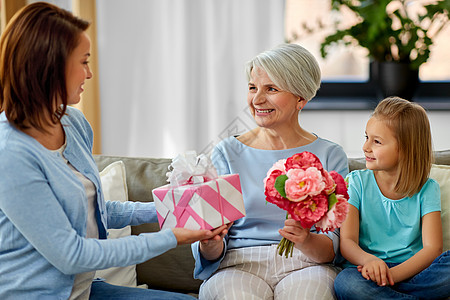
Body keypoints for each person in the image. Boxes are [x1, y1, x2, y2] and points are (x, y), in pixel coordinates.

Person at [0, 2, 227, 299]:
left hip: (85, 289)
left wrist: (180, 208)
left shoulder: (73, 123)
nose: (90, 73)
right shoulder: (11, 153)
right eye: (83, 62)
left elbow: (98, 211)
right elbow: (71, 255)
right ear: (50, 67)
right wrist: (171, 237)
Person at [191, 43, 349, 299]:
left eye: (271, 89)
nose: (257, 100)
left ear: (301, 98)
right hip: (238, 265)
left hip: (306, 264)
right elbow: (209, 252)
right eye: (253, 88)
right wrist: (210, 243)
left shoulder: (330, 155)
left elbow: (334, 247)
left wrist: (305, 239)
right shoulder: (226, 153)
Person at [334, 97, 450, 299]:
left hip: (415, 271)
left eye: (376, 141)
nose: (365, 147)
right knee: (346, 283)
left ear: (406, 148)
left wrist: (391, 276)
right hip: (367, 271)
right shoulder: (356, 182)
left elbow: (433, 248)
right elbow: (347, 241)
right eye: (366, 137)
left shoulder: (427, 188)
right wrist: (370, 262)